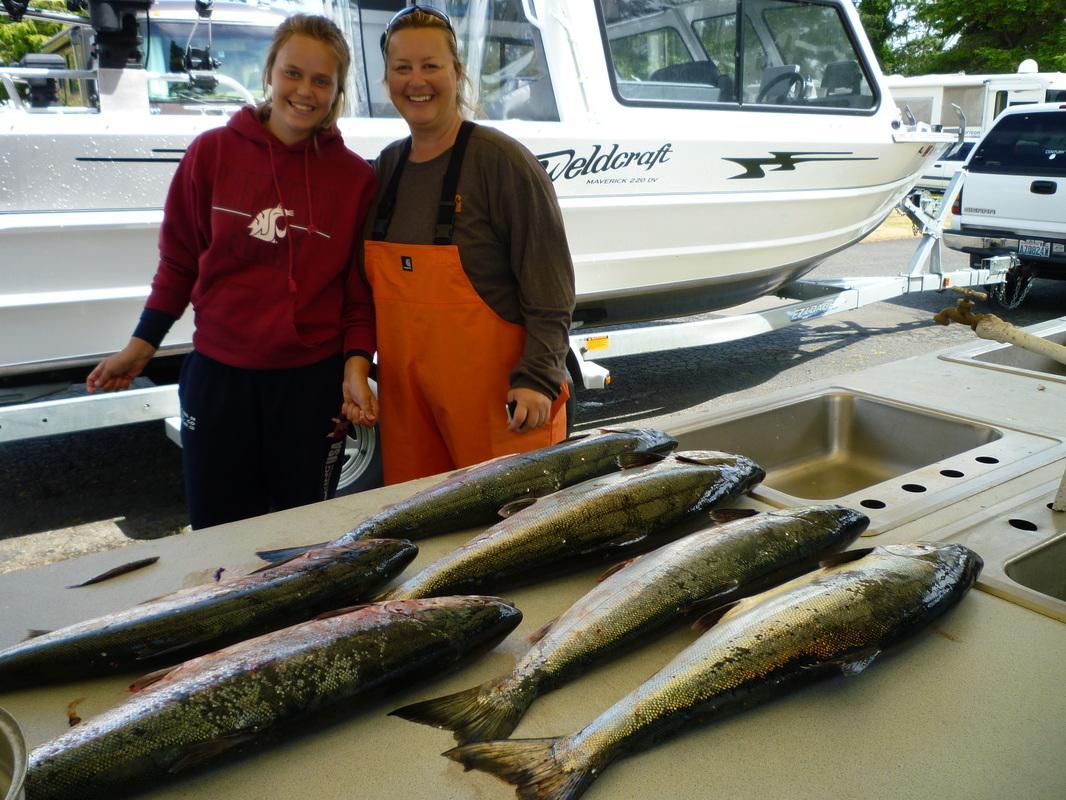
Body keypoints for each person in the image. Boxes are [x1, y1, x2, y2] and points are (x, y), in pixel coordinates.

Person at [87, 14, 379, 529]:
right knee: (218, 533)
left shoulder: (355, 178)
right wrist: (141, 345)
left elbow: (358, 291)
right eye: (293, 72)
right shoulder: (212, 153)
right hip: (220, 379)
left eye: (321, 80)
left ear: (337, 91)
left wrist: (357, 365)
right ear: (270, 72)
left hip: (310, 387)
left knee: (303, 535)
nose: (305, 91)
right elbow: (179, 261)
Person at [362, 4, 575, 485]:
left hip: (503, 411)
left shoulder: (503, 163)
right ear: (388, 79)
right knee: (429, 542)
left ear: (457, 73)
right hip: (410, 419)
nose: (417, 81)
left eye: (431, 66)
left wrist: (539, 378)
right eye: (403, 68)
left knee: (511, 543)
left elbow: (551, 287)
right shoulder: (384, 171)